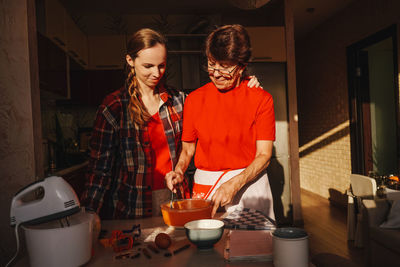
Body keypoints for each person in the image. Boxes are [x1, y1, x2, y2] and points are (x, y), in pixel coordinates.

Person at [81, 28, 260, 219]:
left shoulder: (179, 101)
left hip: (177, 202)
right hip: (131, 208)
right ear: (130, 61)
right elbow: (99, 172)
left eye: (162, 66)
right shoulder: (113, 107)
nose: (156, 73)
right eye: (148, 66)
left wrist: (244, 84)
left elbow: (218, 107)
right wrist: (89, 216)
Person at [165, 24, 276, 219]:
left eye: (224, 67)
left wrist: (234, 184)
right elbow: (188, 150)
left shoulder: (261, 99)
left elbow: (264, 155)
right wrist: (179, 171)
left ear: (241, 66)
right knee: (206, 246)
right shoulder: (194, 99)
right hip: (207, 186)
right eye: (211, 63)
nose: (215, 73)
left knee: (253, 247)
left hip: (249, 186)